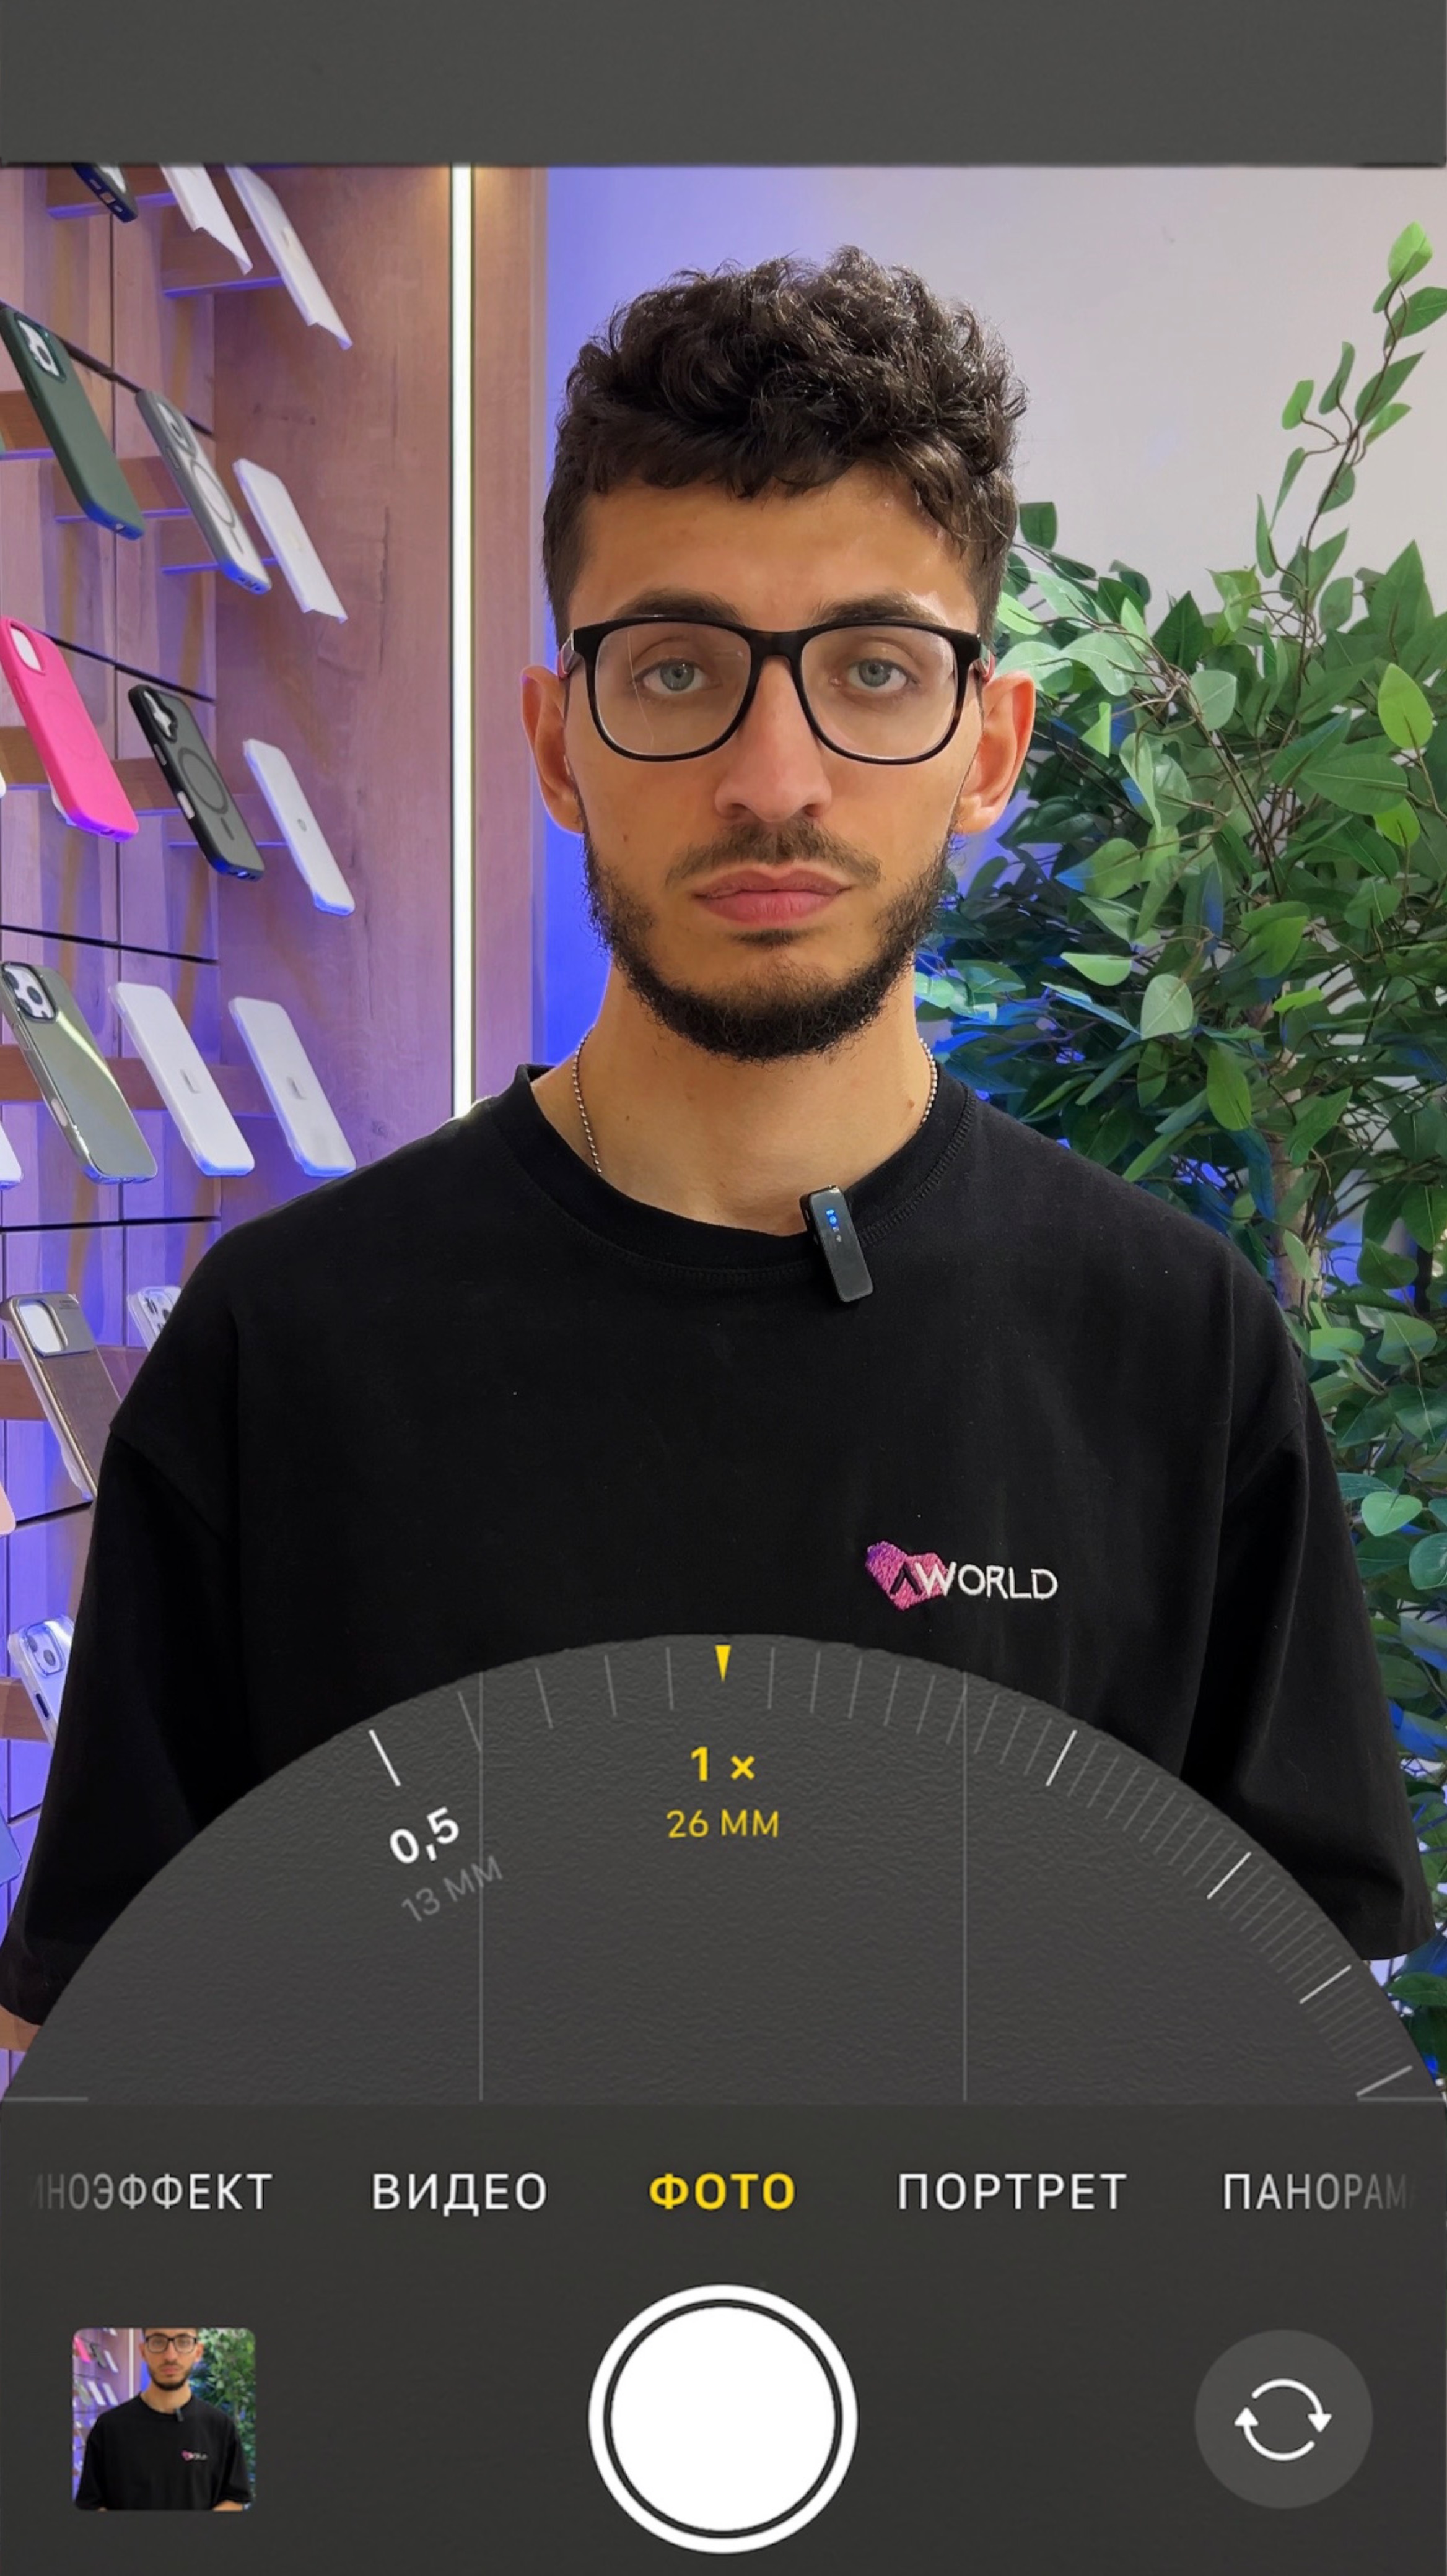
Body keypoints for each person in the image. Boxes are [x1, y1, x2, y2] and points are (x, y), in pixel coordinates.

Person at [0, 246, 1430, 2047]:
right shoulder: (283, 1346)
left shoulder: (1175, 1349)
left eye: (872, 668)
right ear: (556, 740)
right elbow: (110, 2066)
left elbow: (1292, 2056)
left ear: (986, 747)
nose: (774, 776)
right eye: (677, 669)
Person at [74, 2328, 250, 2510]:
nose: (171, 2356)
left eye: (183, 2342)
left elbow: (235, 2499)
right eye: (158, 2342)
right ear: (143, 2351)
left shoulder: (221, 2428)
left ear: (198, 2352)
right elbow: (91, 2504)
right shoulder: (109, 2428)